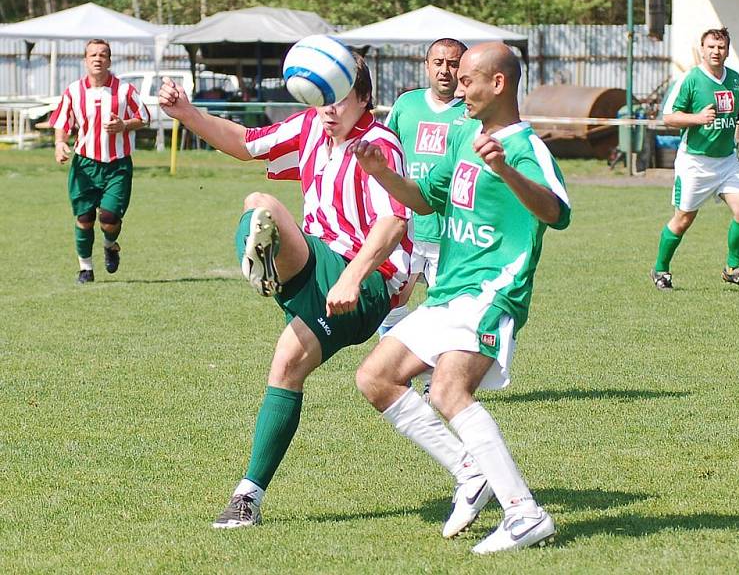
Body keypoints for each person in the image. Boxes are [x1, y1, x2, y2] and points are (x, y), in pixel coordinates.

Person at [158, 51, 412, 529]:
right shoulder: (310, 128)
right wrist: (187, 113)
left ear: (364, 99)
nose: (330, 110)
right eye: (323, 100)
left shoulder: (379, 143)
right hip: (319, 266)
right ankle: (247, 498)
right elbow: (245, 143)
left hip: (368, 283)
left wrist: (353, 276)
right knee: (285, 362)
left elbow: (394, 221)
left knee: (265, 204)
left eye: (340, 99)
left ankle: (267, 268)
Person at [349, 42, 571, 554]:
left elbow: (557, 214)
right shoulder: (466, 135)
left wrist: (507, 172)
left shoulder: (525, 147)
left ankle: (524, 513)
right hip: (449, 290)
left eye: (469, 79)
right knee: (375, 377)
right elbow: (427, 198)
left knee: (448, 392)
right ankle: (470, 469)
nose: (459, 87)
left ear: (498, 83)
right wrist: (382, 172)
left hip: (494, 290)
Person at [377, 37, 468, 399]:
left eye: (454, 63)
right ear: (427, 65)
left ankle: (439, 381)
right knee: (390, 304)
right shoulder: (407, 105)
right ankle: (399, 374)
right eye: (439, 62)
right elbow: (386, 151)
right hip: (406, 228)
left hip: (452, 232)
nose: (446, 71)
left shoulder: (472, 113)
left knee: (446, 310)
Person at [651, 27, 739, 292]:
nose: (716, 51)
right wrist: (697, 118)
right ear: (702, 49)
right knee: (683, 219)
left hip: (726, 160)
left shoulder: (734, 79)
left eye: (720, 47)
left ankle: (733, 269)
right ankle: (660, 270)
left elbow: (735, 113)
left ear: (727, 50)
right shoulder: (689, 80)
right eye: (711, 47)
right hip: (695, 163)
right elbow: (668, 117)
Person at [49, 39, 149, 283]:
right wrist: (60, 143)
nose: (97, 58)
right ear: (85, 60)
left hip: (117, 165)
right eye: (93, 55)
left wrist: (124, 125)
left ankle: (110, 244)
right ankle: (85, 268)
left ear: (109, 61)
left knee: (109, 218)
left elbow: (144, 117)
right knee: (84, 219)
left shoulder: (125, 90)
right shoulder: (73, 91)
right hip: (84, 164)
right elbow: (63, 122)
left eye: (103, 55)